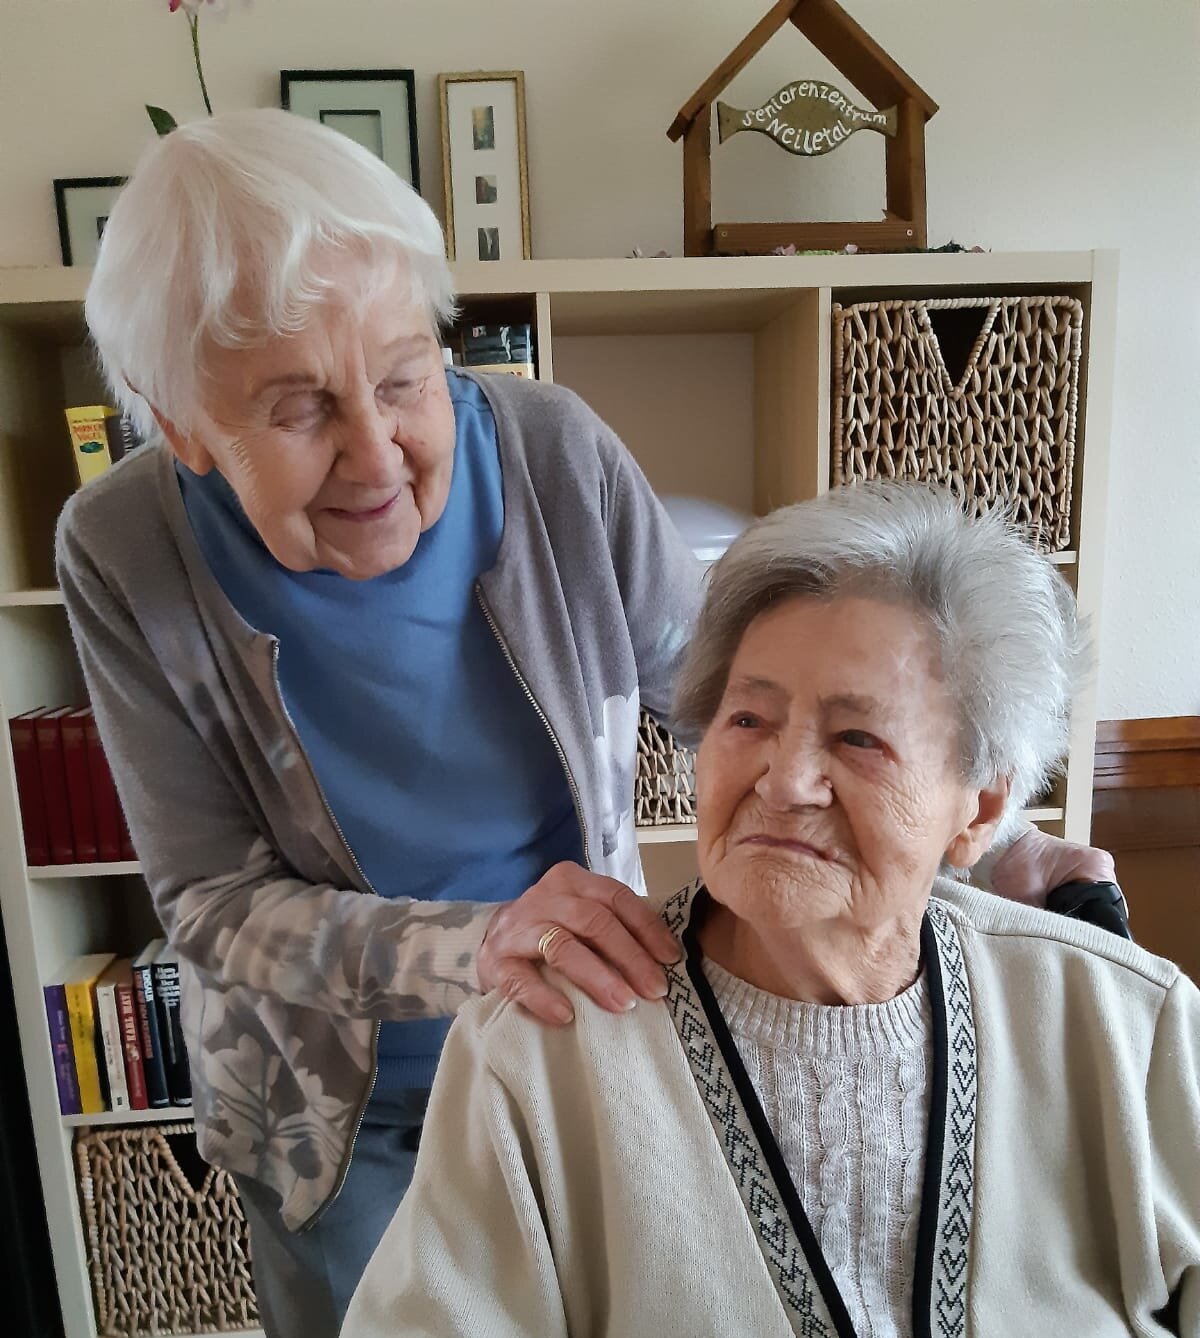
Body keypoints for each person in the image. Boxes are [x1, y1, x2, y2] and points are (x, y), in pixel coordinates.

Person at [58, 109, 1117, 1338]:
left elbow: (725, 703)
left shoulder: (555, 452)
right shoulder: (123, 548)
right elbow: (210, 901)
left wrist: (955, 828)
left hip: (585, 1040)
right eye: (299, 411)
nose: (376, 454)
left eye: (407, 377)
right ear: (176, 418)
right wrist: (480, 945)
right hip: (339, 1112)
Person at [344, 485, 1198, 1338]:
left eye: (858, 738)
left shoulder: (1126, 1023)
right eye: (747, 718)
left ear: (978, 808)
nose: (783, 781)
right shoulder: (540, 1052)